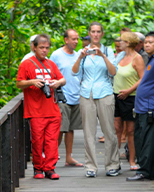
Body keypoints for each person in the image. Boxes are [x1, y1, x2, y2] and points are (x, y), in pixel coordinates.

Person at [72, 22, 120, 178]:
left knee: (109, 131)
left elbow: (113, 72)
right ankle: (91, 166)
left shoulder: (108, 50)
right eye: (93, 31)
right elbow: (74, 73)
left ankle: (112, 164)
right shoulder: (83, 52)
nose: (96, 34)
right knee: (88, 132)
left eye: (98, 31)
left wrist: (103, 56)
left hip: (105, 92)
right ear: (89, 33)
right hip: (86, 94)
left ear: (102, 34)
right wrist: (80, 57)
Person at [16, 34, 66, 180]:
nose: (44, 50)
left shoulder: (51, 64)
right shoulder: (26, 64)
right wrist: (32, 81)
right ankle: (38, 168)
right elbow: (19, 83)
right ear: (34, 47)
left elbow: (62, 78)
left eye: (47, 48)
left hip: (53, 109)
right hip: (36, 110)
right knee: (37, 141)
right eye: (41, 48)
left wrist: (58, 83)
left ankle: (50, 168)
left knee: (52, 141)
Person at [127, 31, 154, 181]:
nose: (147, 44)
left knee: (148, 140)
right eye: (146, 42)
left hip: (150, 109)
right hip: (142, 108)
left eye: (151, 42)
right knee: (141, 138)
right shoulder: (152, 59)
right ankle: (144, 169)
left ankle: (145, 171)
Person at [50, 29, 83, 167]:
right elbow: (50, 73)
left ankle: (69, 157)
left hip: (76, 96)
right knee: (60, 128)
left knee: (70, 128)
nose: (76, 42)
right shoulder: (56, 55)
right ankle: (52, 157)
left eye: (77, 39)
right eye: (73, 39)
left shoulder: (78, 55)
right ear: (66, 40)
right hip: (61, 96)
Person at [113, 32, 145, 171]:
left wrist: (128, 91)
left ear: (128, 42)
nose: (119, 42)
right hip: (116, 96)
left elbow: (143, 78)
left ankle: (132, 160)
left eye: (122, 40)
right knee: (117, 129)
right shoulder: (120, 56)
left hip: (131, 97)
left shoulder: (137, 58)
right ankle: (114, 160)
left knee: (130, 130)